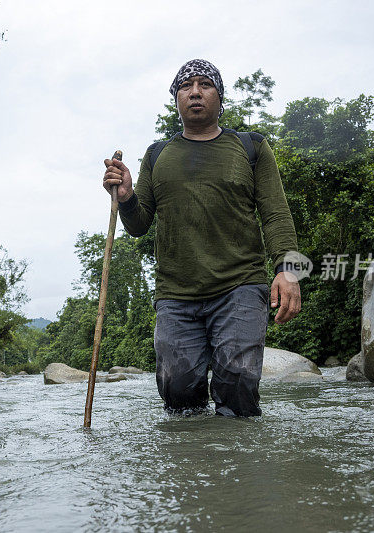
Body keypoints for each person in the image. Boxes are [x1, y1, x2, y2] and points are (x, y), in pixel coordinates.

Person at [102, 59, 301, 417]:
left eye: (204, 84)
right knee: (178, 392)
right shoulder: (157, 154)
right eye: (185, 86)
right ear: (175, 99)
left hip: (240, 285)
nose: (195, 92)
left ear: (220, 97)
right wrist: (127, 197)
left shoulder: (251, 147)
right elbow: (139, 224)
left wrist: (288, 270)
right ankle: (193, 465)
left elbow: (276, 213)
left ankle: (239, 465)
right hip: (177, 295)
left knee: (237, 385)